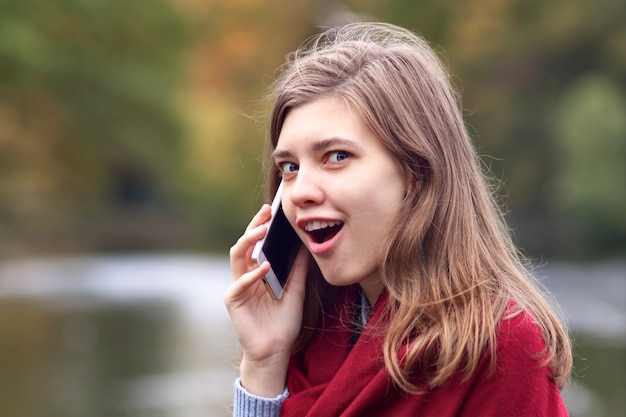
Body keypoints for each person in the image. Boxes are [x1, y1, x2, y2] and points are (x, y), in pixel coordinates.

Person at [225, 22, 572, 417]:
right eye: (289, 166)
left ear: (416, 172)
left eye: (336, 156)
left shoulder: (498, 346)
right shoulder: (310, 339)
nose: (300, 190)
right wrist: (264, 363)